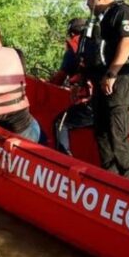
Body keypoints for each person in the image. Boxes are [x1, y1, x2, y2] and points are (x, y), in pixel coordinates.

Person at [82, 0, 129, 180]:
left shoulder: (123, 12)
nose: (87, 3)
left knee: (118, 134)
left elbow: (127, 42)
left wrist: (112, 73)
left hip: (120, 82)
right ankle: (110, 177)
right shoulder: (101, 19)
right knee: (101, 131)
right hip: (102, 82)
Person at [50, 18, 94, 155]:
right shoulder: (95, 47)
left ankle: (63, 159)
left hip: (88, 104)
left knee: (60, 123)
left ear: (72, 33)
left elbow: (58, 79)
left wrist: (47, 82)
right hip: (104, 102)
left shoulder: (73, 51)